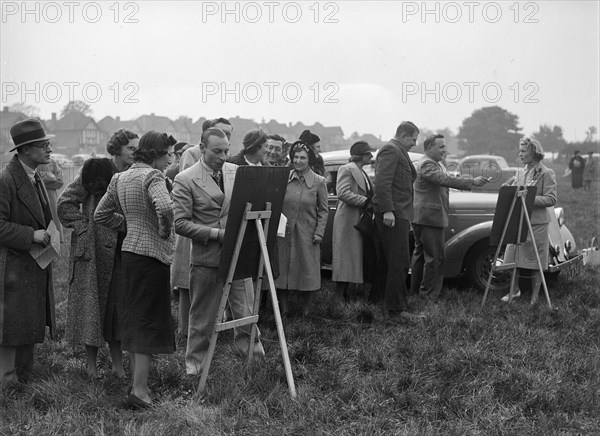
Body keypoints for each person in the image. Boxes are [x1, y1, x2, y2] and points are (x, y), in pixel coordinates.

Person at [172, 128, 264, 375]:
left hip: (238, 255)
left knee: (245, 311)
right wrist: (216, 234)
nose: (223, 156)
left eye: (226, 151)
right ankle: (196, 368)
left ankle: (254, 362)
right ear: (201, 148)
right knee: (203, 318)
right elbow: (180, 223)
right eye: (217, 151)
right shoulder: (186, 178)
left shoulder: (238, 173)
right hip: (207, 257)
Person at [95, 131, 176, 408]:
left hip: (129, 254)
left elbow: (101, 214)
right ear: (154, 154)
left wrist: (129, 226)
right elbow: (165, 207)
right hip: (151, 258)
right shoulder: (152, 176)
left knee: (134, 320)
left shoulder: (121, 177)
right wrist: (163, 231)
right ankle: (139, 391)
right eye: (168, 154)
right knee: (148, 323)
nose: (171, 159)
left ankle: (137, 385)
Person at [57, 158, 127, 379]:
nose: (134, 153)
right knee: (91, 308)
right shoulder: (94, 171)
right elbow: (64, 202)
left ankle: (118, 365)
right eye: (130, 148)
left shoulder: (132, 175)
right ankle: (91, 366)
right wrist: (83, 227)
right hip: (92, 251)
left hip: (120, 249)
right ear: (117, 151)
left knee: (116, 309)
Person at [0, 118, 56, 384]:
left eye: (48, 144)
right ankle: (6, 377)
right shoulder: (6, 179)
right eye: (42, 145)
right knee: (10, 323)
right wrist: (30, 235)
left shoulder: (33, 176)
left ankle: (23, 373)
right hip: (10, 265)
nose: (49, 150)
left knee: (27, 317)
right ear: (24, 151)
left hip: (31, 263)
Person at [411, 135, 488, 301]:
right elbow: (443, 179)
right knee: (435, 258)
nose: (444, 150)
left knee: (421, 256)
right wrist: (471, 181)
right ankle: (427, 296)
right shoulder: (427, 164)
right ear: (429, 147)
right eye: (441, 147)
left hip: (424, 217)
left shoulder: (433, 163)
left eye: (444, 147)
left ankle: (416, 291)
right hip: (429, 218)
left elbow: (445, 177)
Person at [371, 121, 420, 323]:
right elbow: (382, 182)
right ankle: (396, 310)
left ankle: (380, 301)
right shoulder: (391, 150)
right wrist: (388, 211)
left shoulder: (398, 150)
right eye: (413, 139)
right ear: (403, 135)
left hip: (398, 213)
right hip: (394, 214)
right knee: (399, 261)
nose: (414, 144)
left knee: (388, 261)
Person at [500, 137, 557, 305]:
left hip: (537, 224)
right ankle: (514, 290)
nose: (520, 153)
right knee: (513, 257)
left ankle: (534, 297)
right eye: (520, 150)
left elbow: (551, 199)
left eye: (523, 151)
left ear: (534, 152)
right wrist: (507, 188)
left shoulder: (547, 173)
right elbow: (512, 189)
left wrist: (529, 197)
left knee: (536, 261)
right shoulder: (520, 172)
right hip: (519, 221)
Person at [275, 141, 329, 316]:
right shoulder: (283, 178)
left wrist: (319, 232)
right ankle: (283, 309)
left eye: (302, 158)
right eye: (295, 157)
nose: (298, 161)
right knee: (282, 270)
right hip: (284, 234)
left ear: (309, 160)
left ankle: (306, 310)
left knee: (308, 270)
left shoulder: (319, 182)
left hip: (308, 235)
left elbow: (323, 210)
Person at [332, 141, 376, 301]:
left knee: (351, 257)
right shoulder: (347, 169)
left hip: (356, 220)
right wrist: (365, 201)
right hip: (347, 220)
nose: (371, 156)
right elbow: (342, 193)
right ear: (359, 155)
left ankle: (344, 294)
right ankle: (338, 297)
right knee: (345, 258)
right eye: (367, 153)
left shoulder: (361, 171)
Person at [37, 156, 65, 242]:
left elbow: (59, 182)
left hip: (51, 199)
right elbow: (31, 179)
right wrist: (49, 177)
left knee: (53, 227)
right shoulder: (31, 161)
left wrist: (40, 182)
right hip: (36, 198)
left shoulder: (52, 162)